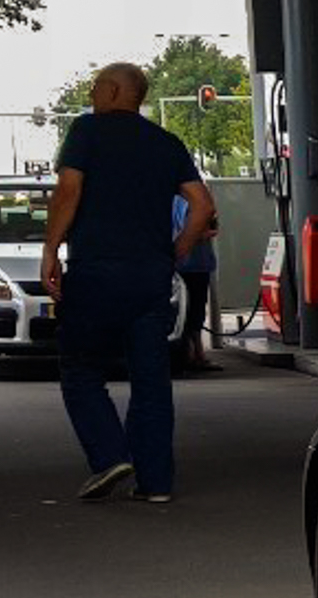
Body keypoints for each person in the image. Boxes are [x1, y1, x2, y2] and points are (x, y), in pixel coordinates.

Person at [39, 62, 216, 503]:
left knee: (81, 370)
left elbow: (68, 191)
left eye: (96, 86)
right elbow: (202, 205)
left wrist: (50, 250)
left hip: (96, 271)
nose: (93, 94)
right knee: (151, 379)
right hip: (150, 277)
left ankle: (109, 456)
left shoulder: (87, 132)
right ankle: (156, 483)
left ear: (115, 90)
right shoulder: (165, 142)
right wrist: (177, 249)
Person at [169, 190, 220, 374]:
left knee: (186, 310)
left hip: (183, 263)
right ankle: (195, 354)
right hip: (194, 263)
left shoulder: (172, 199)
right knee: (194, 310)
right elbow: (203, 230)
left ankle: (193, 353)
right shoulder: (192, 202)